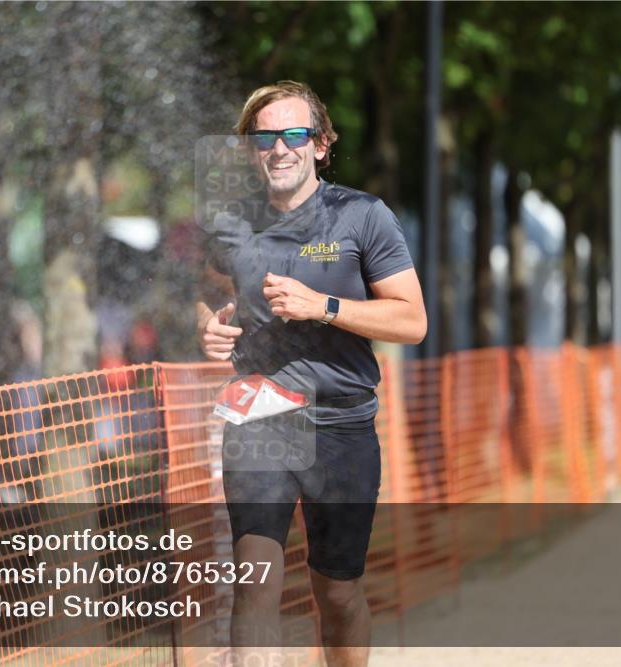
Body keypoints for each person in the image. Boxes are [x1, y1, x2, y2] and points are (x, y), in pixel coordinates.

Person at [195, 81, 426, 667]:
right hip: (262, 413)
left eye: (294, 134)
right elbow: (205, 288)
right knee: (256, 582)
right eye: (265, 136)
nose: (280, 148)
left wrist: (323, 307)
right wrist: (208, 322)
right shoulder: (231, 223)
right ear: (252, 149)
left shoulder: (362, 216)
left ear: (321, 144)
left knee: (338, 591)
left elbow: (412, 320)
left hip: (343, 424)